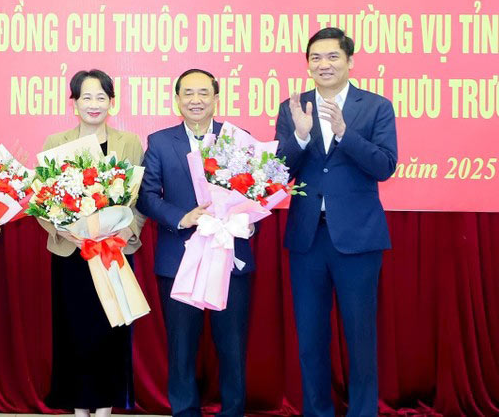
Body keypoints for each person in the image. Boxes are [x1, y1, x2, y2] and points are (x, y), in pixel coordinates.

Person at [276, 27, 397, 417]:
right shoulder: (293, 107)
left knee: (360, 337)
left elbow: (384, 166)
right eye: (315, 58)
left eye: (332, 57)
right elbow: (278, 172)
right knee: (310, 338)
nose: (323, 64)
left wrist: (345, 133)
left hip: (358, 239)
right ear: (307, 64)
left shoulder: (375, 106)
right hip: (308, 239)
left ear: (349, 61)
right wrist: (298, 134)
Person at [137, 68, 254, 417]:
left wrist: (245, 223)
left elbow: (256, 192)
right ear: (177, 100)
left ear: (216, 98)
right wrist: (181, 217)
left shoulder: (238, 137)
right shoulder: (159, 142)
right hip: (180, 257)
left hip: (229, 257)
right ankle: (185, 411)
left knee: (232, 347)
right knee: (181, 348)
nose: (196, 100)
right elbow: (146, 196)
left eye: (204, 92)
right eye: (188, 93)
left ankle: (232, 411)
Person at [39, 69, 144, 417]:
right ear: (74, 104)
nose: (94, 104)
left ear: (112, 103)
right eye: (86, 97)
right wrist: (62, 228)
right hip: (73, 252)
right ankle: (79, 408)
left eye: (101, 97)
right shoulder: (56, 143)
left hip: (112, 251)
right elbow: (39, 198)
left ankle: (104, 409)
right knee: (75, 333)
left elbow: (139, 199)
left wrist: (129, 230)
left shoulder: (128, 143)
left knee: (109, 330)